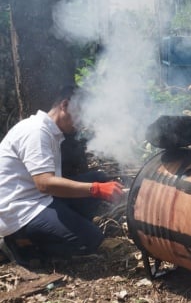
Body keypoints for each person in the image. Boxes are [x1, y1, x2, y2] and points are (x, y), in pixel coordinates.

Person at [0, 85, 124, 268]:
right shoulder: (36, 131)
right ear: (65, 105)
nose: (82, 123)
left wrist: (98, 185)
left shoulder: (51, 132)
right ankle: (19, 243)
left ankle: (66, 227)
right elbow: (45, 184)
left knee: (99, 177)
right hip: (21, 210)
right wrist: (96, 189)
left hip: (40, 199)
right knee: (91, 241)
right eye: (81, 115)